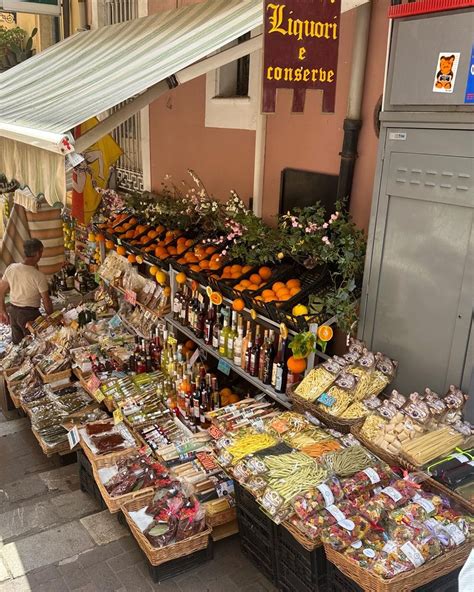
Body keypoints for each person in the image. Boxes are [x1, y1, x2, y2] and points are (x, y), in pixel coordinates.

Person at [0, 239, 53, 344]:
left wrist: (3, 310)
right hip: (29, 315)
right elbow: (46, 301)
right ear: (38, 253)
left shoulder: (11, 268)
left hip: (13, 312)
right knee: (37, 345)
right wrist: (51, 318)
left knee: (18, 346)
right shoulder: (38, 276)